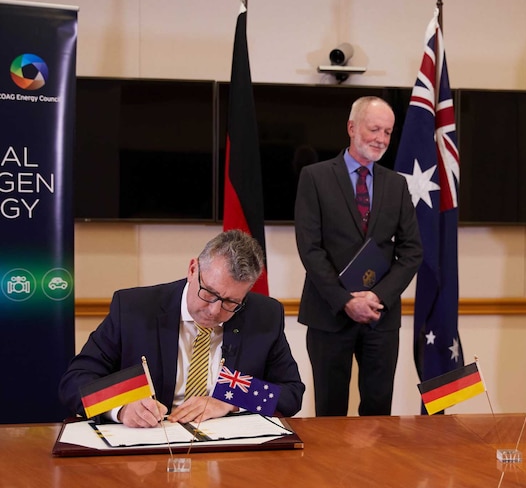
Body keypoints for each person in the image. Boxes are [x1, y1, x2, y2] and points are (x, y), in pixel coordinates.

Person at [58, 230, 305, 427]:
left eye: (231, 302)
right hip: (150, 446)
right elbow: (75, 382)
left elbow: (292, 394)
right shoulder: (135, 309)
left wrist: (231, 401)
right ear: (192, 270)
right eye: (209, 293)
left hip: (229, 451)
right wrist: (122, 409)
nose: (215, 311)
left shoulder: (264, 315)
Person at [295, 96, 422, 416]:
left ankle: (374, 469)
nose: (381, 139)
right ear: (352, 128)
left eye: (388, 132)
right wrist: (345, 300)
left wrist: (377, 296)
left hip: (380, 316)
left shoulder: (397, 185)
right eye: (374, 129)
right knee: (330, 411)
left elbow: (411, 251)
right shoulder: (315, 177)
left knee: (379, 411)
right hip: (329, 314)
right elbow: (310, 249)